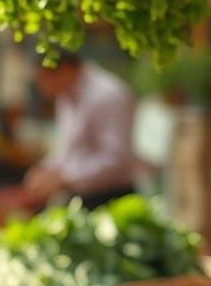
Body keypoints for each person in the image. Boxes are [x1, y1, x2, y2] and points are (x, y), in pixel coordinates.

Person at [24, 54, 138, 209]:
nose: (40, 87)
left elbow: (117, 159)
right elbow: (69, 149)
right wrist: (46, 170)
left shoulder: (108, 95)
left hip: (112, 200)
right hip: (79, 198)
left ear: (65, 70)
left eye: (42, 78)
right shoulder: (64, 95)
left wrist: (64, 178)